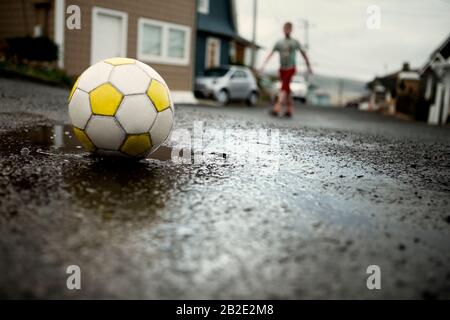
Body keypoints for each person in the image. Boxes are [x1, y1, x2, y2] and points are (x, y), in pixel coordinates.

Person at [259, 22, 313, 117]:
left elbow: (303, 54)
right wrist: (263, 65)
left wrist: (309, 67)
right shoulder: (279, 43)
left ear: (291, 30)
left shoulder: (294, 42)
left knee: (283, 87)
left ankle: (277, 108)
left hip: (291, 68)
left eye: (289, 28)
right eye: (285, 28)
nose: (287, 30)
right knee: (287, 89)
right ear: (283, 29)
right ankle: (289, 110)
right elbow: (271, 54)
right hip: (282, 69)